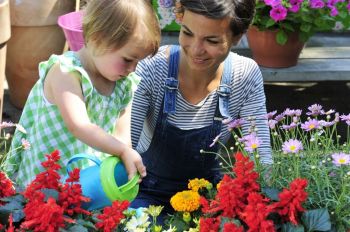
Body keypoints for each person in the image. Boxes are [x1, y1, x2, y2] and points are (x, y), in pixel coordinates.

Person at [130, 0, 272, 221]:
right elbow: (124, 146)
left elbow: (262, 157)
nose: (196, 49)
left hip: (209, 197)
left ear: (238, 36)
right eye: (187, 33)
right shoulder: (152, 68)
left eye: (211, 40)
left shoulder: (244, 75)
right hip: (146, 194)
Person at [3, 0, 161, 187]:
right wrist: (122, 151)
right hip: (48, 176)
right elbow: (79, 126)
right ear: (96, 37)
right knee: (40, 213)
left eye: (138, 61)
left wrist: (125, 158)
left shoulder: (123, 84)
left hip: (88, 178)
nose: (133, 69)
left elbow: (122, 136)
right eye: (128, 59)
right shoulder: (66, 72)